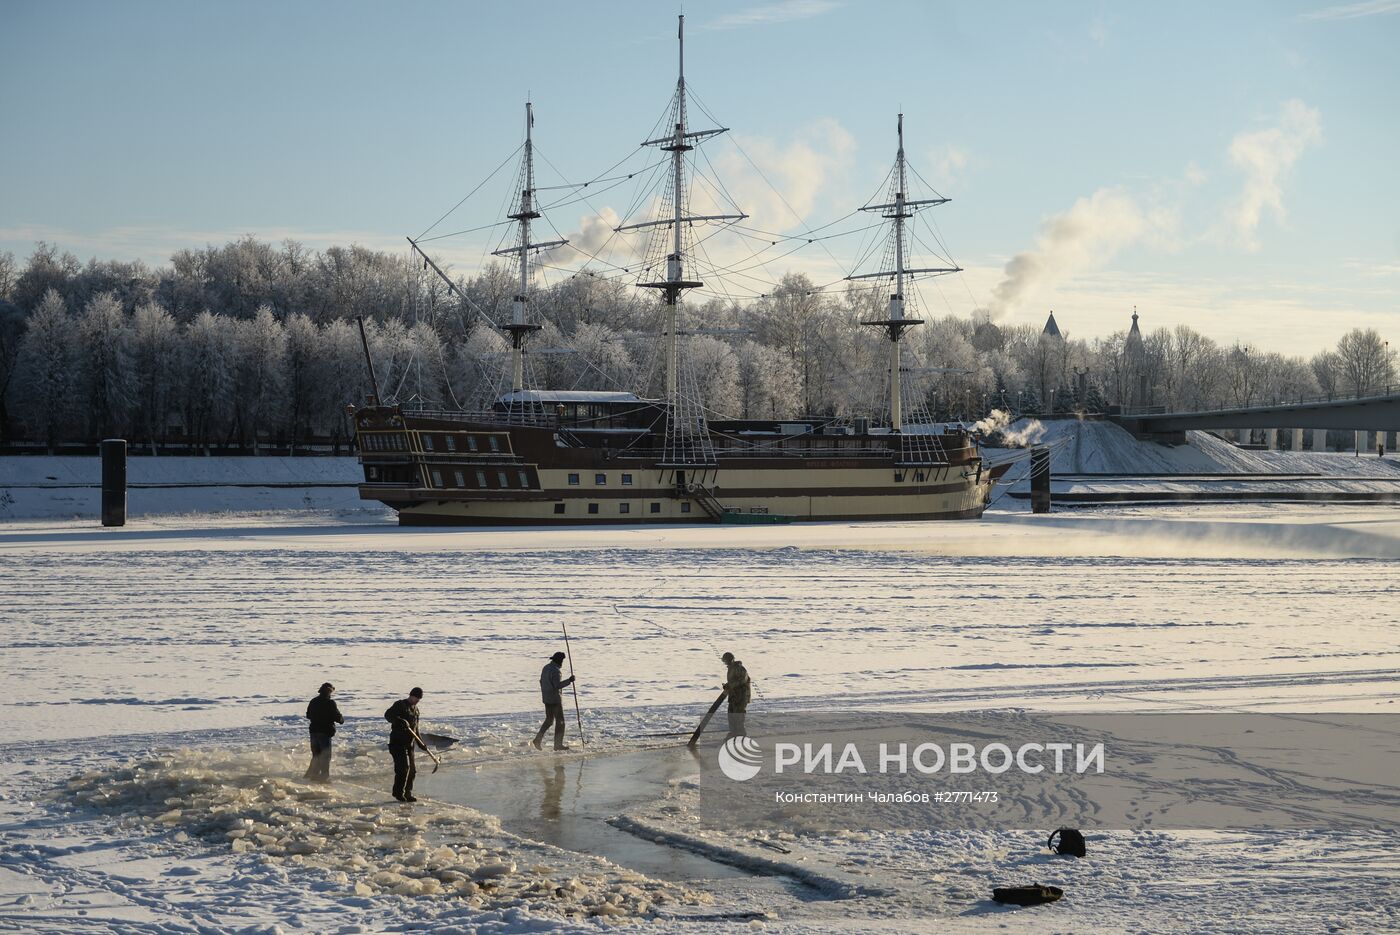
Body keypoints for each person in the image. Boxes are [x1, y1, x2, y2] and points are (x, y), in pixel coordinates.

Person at [384, 687, 428, 802]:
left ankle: (408, 792)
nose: (417, 700)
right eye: (416, 697)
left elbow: (416, 729)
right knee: (403, 769)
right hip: (397, 743)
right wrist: (399, 720)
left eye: (419, 699)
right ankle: (398, 793)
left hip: (410, 744)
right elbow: (388, 715)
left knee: (412, 770)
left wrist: (421, 743)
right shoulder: (400, 705)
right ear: (411, 695)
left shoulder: (416, 710)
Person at [532, 652, 575, 751]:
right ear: (559, 661)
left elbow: (541, 681)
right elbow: (557, 685)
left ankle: (538, 739)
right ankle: (558, 744)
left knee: (549, 720)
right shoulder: (556, 671)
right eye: (562, 661)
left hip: (546, 698)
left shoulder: (546, 668)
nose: (562, 663)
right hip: (555, 700)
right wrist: (569, 680)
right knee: (560, 722)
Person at [304, 682, 343, 782]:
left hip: (314, 732)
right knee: (325, 756)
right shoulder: (330, 703)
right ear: (329, 691)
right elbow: (338, 717)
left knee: (316, 756)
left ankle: (312, 776)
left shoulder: (313, 701)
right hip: (324, 733)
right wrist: (341, 719)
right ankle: (324, 777)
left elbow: (308, 715)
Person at [721, 651, 751, 738]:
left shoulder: (739, 668)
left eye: (727, 660)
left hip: (741, 697)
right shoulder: (731, 668)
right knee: (731, 715)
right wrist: (727, 685)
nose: (726, 662)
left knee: (738, 717)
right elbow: (733, 681)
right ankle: (733, 734)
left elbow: (742, 680)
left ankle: (740, 736)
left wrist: (730, 685)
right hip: (734, 696)